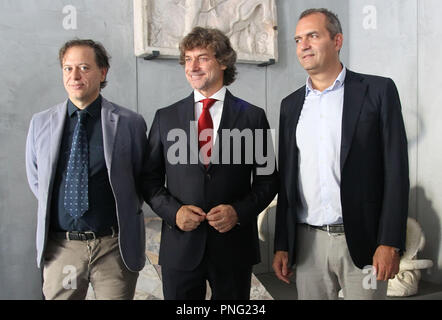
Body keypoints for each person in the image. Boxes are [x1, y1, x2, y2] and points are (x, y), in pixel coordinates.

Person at [272, 8, 409, 300]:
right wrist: (282, 244)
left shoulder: (378, 91)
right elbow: (287, 181)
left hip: (365, 241)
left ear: (337, 41)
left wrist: (390, 242)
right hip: (307, 244)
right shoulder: (290, 105)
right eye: (298, 39)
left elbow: (397, 171)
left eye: (313, 36)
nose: (303, 45)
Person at [144, 26, 278, 300]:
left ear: (223, 61)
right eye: (188, 59)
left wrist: (238, 212)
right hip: (180, 248)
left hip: (233, 248)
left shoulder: (252, 117)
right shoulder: (165, 118)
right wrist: (174, 213)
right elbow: (149, 179)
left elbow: (268, 180)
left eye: (202, 57)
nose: (193, 66)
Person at [25, 39, 147, 299]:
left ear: (103, 72)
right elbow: (38, 180)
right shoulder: (40, 123)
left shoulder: (130, 123)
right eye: (68, 68)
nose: (75, 75)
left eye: (84, 67)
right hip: (62, 248)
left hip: (113, 248)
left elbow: (141, 179)